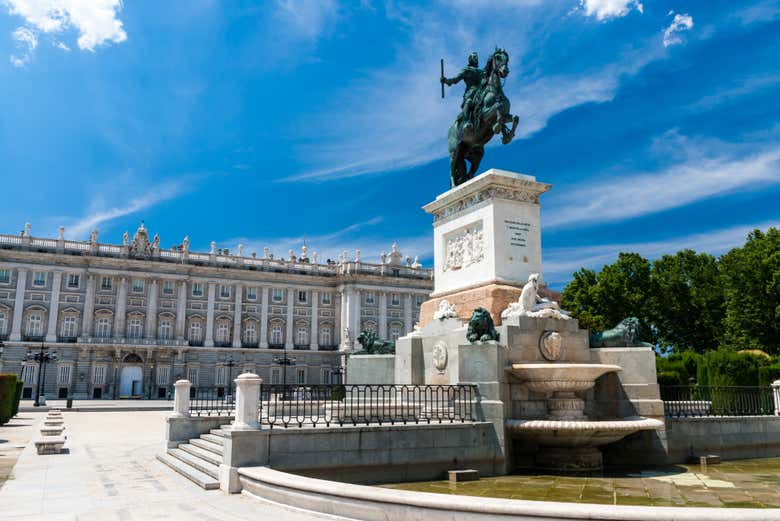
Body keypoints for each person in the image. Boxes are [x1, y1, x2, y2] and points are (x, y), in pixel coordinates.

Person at [441, 52, 483, 131]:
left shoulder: (481, 72)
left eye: (477, 57)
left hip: (481, 91)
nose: (476, 59)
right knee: (469, 101)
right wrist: (446, 81)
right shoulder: (466, 70)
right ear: (470, 59)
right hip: (471, 92)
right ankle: (466, 122)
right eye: (474, 57)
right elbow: (456, 79)